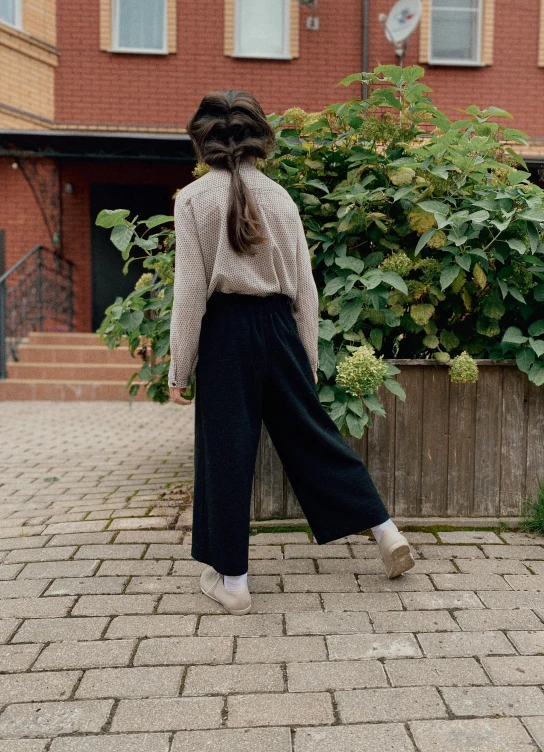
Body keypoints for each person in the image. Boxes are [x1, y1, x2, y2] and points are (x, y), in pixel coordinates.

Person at [168, 89, 415, 616]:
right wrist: (306, 359)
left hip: (224, 334)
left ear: (204, 142)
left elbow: (189, 293)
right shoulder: (281, 198)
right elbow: (306, 289)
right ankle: (385, 531)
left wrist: (179, 367)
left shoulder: (193, 201)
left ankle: (233, 583)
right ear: (260, 140)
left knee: (226, 454)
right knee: (314, 438)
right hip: (278, 327)